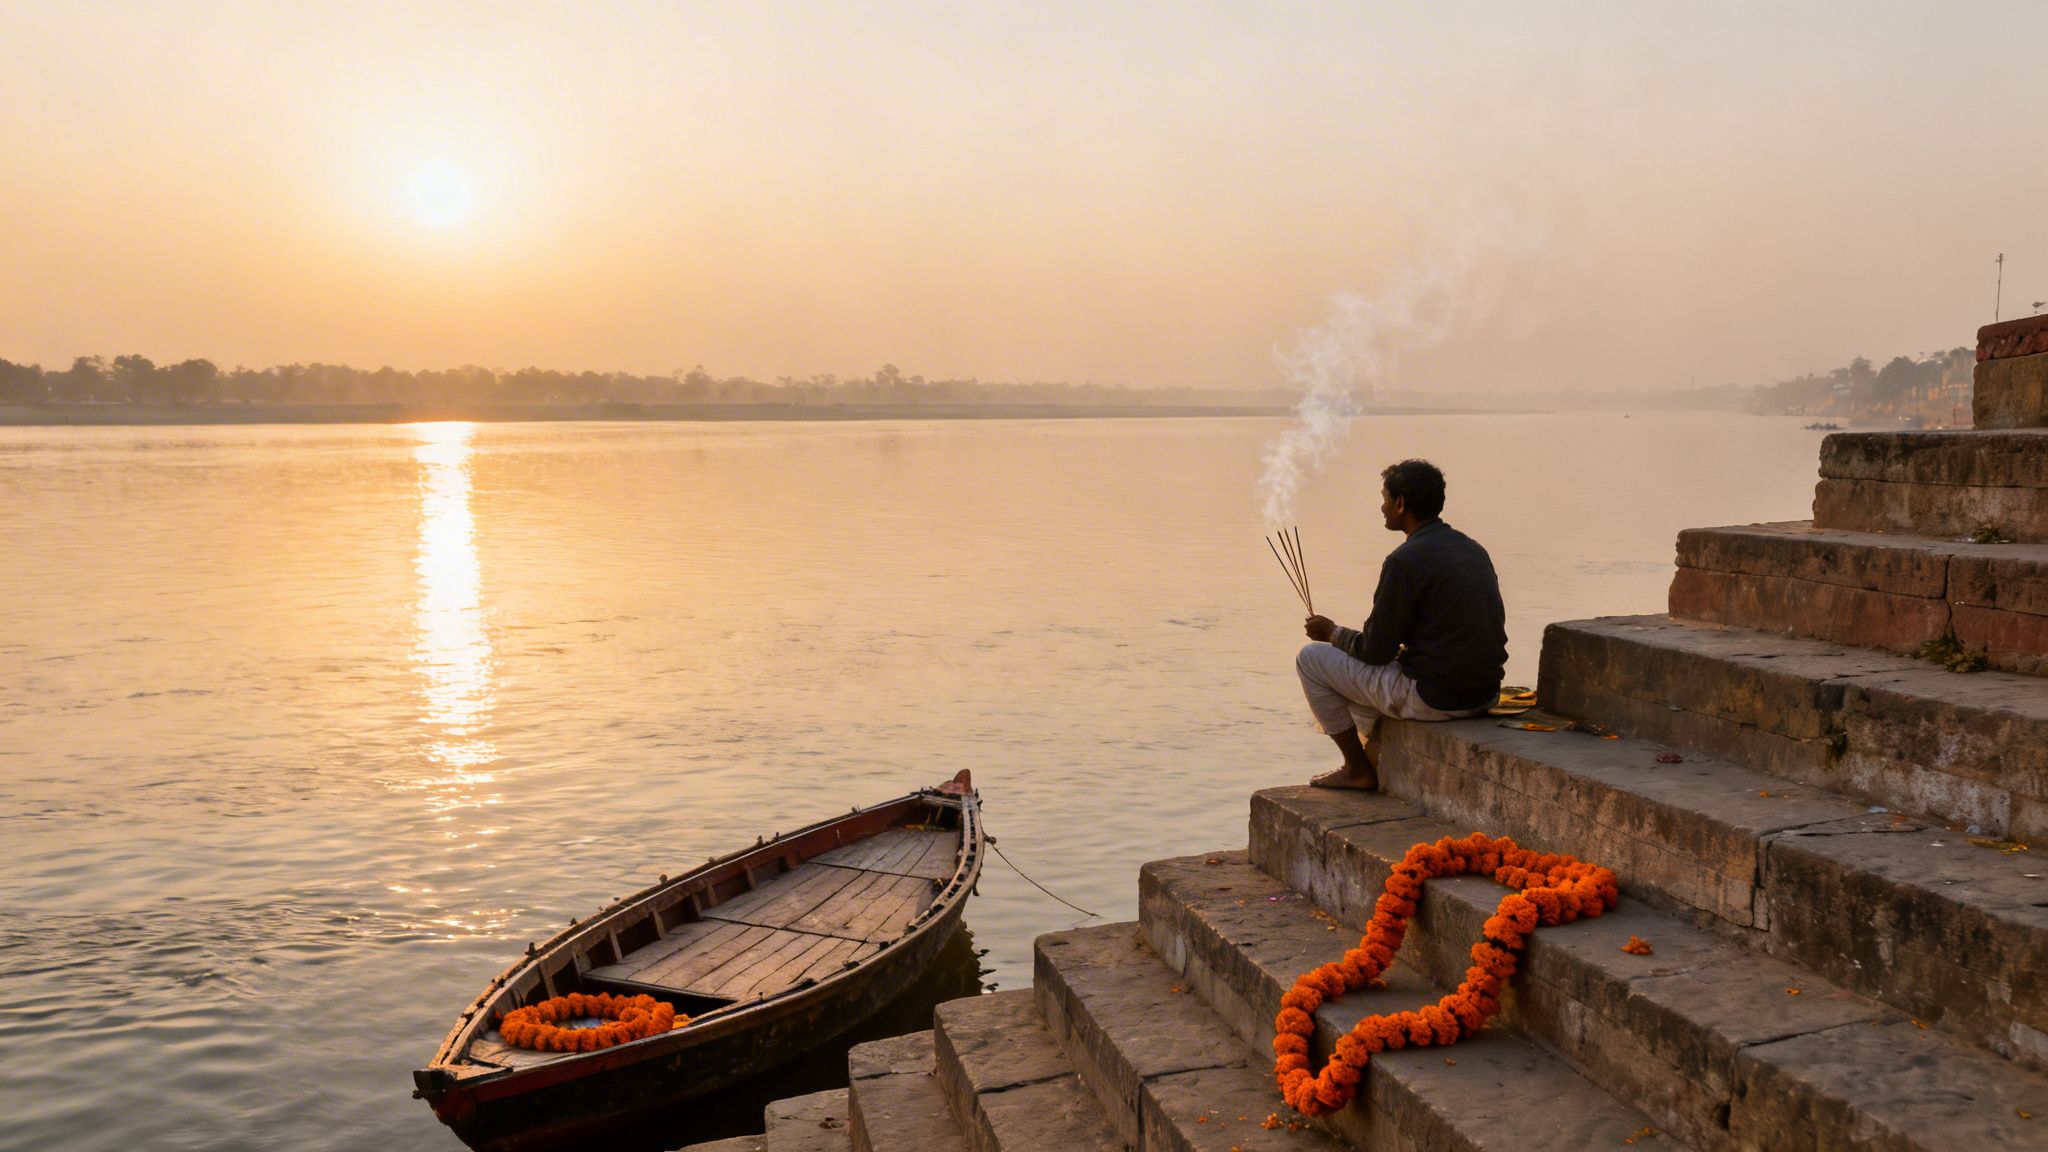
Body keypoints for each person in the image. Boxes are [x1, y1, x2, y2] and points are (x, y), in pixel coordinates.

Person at [1296, 458, 1506, 790]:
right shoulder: (1472, 548)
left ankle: (1357, 769)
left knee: (1311, 660)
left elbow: (1376, 651)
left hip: (1438, 698)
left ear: (1401, 503)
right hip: (1484, 692)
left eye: (1384, 498)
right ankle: (1376, 746)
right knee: (1370, 669)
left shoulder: (1404, 561)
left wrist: (1331, 633)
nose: (1382, 507)